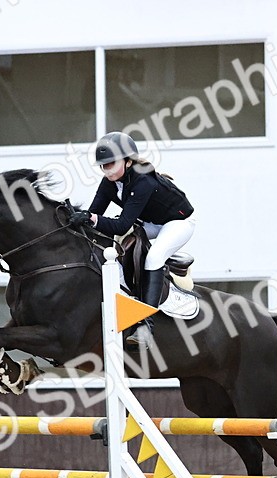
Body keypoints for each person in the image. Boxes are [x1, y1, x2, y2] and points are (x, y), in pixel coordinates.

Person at [70, 131, 195, 347]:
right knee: (117, 247)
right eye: (103, 165)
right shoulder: (109, 182)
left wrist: (91, 218)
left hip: (178, 222)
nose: (106, 169)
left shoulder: (143, 180)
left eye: (110, 164)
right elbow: (96, 216)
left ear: (128, 161)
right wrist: (79, 218)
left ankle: (146, 325)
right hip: (151, 222)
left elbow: (120, 224)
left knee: (154, 257)